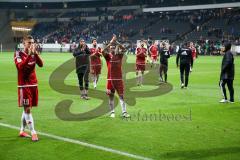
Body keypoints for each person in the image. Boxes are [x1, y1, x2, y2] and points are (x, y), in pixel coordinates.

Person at [14, 35, 43, 141]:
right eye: (29, 42)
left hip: (34, 85)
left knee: (27, 109)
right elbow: (20, 67)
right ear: (23, 43)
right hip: (23, 86)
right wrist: (28, 56)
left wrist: (35, 54)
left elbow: (41, 64)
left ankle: (22, 130)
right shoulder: (18, 54)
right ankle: (33, 132)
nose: (31, 44)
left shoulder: (33, 53)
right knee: (27, 109)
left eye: (32, 42)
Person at [102, 35, 130, 118]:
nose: (112, 48)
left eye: (114, 47)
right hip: (110, 79)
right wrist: (111, 42)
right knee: (111, 96)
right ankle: (112, 112)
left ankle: (124, 112)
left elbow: (124, 49)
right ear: (109, 48)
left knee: (121, 96)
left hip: (118, 79)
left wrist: (116, 42)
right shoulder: (107, 56)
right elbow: (103, 51)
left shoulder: (119, 55)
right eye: (111, 47)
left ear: (115, 48)